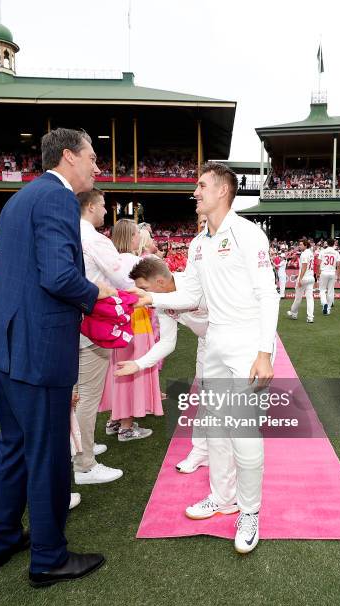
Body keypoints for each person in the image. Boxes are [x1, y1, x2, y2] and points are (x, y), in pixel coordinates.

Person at [0, 127, 115, 588]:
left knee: (13, 445)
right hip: (35, 348)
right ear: (70, 157)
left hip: (3, 342)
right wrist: (98, 293)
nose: (98, 166)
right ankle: (49, 557)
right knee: (48, 451)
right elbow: (57, 276)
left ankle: (2, 539)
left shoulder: (20, 199)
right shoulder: (56, 200)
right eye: (93, 156)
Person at [130, 162, 279, 554]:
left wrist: (264, 353)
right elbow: (192, 296)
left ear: (222, 192)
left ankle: (250, 512)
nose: (194, 192)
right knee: (214, 427)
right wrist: (155, 298)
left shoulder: (248, 235)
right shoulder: (198, 245)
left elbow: (268, 294)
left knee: (244, 434)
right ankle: (222, 497)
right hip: (216, 340)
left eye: (201, 185)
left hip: (249, 342)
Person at [116, 256, 209, 473]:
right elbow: (168, 342)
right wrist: (138, 364)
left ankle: (236, 453)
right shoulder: (159, 301)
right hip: (207, 342)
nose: (141, 293)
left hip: (237, 337)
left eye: (144, 288)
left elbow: (191, 300)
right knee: (206, 396)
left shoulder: (192, 282)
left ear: (159, 282)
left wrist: (151, 299)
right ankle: (201, 451)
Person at [73, 189, 126, 485]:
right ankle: (85, 463)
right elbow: (122, 277)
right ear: (91, 206)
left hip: (74, 323)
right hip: (93, 324)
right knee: (87, 396)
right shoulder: (94, 238)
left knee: (77, 394)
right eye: (104, 205)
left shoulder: (72, 233)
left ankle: (81, 447)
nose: (106, 211)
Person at [99, 219, 163, 440]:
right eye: (136, 233)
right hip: (136, 321)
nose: (138, 236)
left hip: (112, 321)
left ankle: (114, 420)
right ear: (131, 237)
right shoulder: (136, 262)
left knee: (115, 369)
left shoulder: (108, 262)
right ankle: (126, 426)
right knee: (131, 370)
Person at [287, 239, 315, 323]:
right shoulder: (310, 253)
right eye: (299, 244)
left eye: (302, 244)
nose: (300, 246)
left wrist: (300, 279)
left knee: (298, 298)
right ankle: (310, 317)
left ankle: (293, 313)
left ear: (306, 245)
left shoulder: (304, 254)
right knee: (310, 298)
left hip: (304, 278)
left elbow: (304, 267)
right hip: (310, 277)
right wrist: (298, 275)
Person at [318, 238, 340, 315]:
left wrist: (318, 273)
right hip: (332, 272)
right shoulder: (336, 253)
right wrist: (338, 276)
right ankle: (328, 309)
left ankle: (324, 303)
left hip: (324, 272)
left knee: (322, 290)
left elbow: (318, 263)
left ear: (327, 243)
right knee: (330, 291)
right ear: (334, 243)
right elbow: (338, 265)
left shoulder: (322, 251)